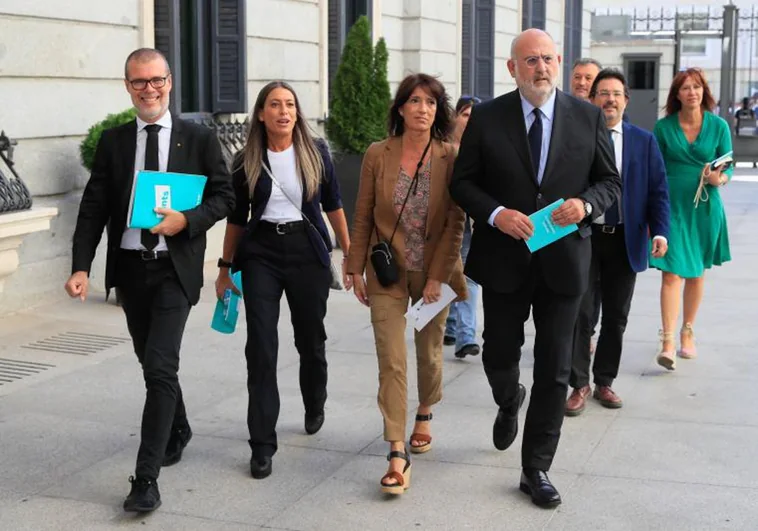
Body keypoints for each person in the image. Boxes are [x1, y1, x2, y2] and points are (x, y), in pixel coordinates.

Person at [450, 29, 621, 507]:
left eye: (547, 59)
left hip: (565, 265)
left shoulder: (587, 117)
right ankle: (508, 397)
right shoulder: (487, 118)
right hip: (503, 259)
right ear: (512, 68)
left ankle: (536, 468)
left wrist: (586, 206)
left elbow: (610, 181)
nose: (540, 68)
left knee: (555, 369)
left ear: (559, 63)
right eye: (530, 61)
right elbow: (462, 184)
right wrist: (496, 214)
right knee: (498, 353)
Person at [65, 48, 235, 512]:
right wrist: (81, 266)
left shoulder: (198, 139)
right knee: (152, 363)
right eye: (139, 82)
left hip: (174, 270)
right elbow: (94, 207)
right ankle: (178, 427)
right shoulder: (114, 141)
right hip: (130, 270)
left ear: (170, 82)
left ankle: (145, 480)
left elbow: (225, 197)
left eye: (156, 80)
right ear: (127, 86)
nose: (149, 90)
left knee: (160, 365)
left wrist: (187, 221)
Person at [215, 81, 351, 480]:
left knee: (310, 338)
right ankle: (261, 444)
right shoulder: (246, 160)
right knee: (260, 345)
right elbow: (238, 219)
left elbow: (334, 205)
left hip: (306, 252)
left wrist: (351, 255)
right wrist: (225, 268)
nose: (283, 111)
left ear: (297, 112)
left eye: (289, 104)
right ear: (261, 113)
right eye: (274, 104)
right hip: (261, 255)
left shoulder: (316, 153)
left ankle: (314, 399)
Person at [346, 73, 466, 495]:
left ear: (438, 111)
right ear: (400, 108)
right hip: (387, 270)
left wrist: (437, 277)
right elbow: (362, 214)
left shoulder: (451, 156)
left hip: (434, 271)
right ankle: (397, 450)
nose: (422, 109)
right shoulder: (379, 153)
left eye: (431, 103)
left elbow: (456, 223)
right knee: (391, 358)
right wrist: (353, 265)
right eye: (414, 101)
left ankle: (426, 411)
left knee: (430, 353)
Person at [566, 69, 671, 415]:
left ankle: (604, 382)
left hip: (625, 239)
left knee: (616, 317)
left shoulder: (644, 141)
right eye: (603, 94)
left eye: (616, 94)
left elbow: (658, 190)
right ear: (593, 100)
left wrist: (660, 231)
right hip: (586, 237)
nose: (609, 100)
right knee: (582, 315)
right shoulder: (577, 136)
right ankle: (578, 383)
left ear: (626, 101)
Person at [651, 68, 732, 370]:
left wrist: (719, 179)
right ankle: (668, 340)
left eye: (696, 87)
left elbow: (729, 164)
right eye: (685, 88)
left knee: (696, 272)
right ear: (677, 94)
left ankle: (688, 331)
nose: (692, 92)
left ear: (704, 91)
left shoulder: (719, 126)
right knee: (671, 272)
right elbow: (655, 169)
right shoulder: (663, 128)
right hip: (671, 206)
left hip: (705, 207)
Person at [444, 95, 482, 359]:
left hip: (469, 222)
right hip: (442, 223)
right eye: (466, 114)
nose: (470, 120)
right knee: (447, 273)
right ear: (455, 117)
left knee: (468, 276)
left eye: (475, 116)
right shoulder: (442, 149)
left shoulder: (482, 149)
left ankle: (465, 336)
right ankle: (451, 324)